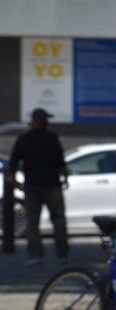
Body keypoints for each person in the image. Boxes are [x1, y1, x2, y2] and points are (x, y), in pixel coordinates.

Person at [9, 108, 69, 265]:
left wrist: (14, 180)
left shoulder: (24, 139)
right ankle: (62, 253)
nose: (47, 122)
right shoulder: (51, 138)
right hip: (51, 184)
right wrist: (65, 178)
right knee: (58, 220)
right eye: (45, 119)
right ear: (40, 121)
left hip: (32, 185)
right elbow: (60, 161)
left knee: (33, 220)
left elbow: (13, 161)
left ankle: (35, 254)